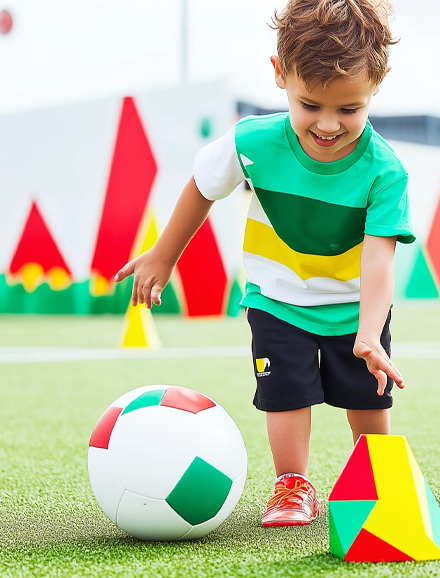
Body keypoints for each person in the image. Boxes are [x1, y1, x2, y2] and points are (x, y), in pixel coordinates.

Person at [115, 0, 414, 525]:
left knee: (367, 398)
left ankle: (379, 483)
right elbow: (203, 186)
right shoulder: (251, 142)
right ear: (280, 75)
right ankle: (292, 485)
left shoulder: (385, 171)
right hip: (277, 300)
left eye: (349, 110)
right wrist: (164, 256)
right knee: (285, 394)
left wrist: (369, 332)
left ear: (378, 85)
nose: (327, 125)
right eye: (310, 104)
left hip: (352, 307)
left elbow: (379, 255)